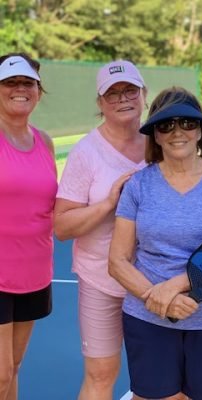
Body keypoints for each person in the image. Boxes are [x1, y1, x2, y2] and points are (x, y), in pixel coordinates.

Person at [108, 86, 202, 400]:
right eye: (165, 125)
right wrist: (156, 298)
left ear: (200, 131)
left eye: (187, 123)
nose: (177, 132)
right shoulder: (138, 186)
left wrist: (173, 287)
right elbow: (117, 261)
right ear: (155, 136)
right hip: (148, 317)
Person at [54, 60, 147, 400]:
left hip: (155, 279)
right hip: (101, 280)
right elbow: (62, 226)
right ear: (100, 103)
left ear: (143, 94)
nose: (122, 99)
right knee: (101, 374)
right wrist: (109, 202)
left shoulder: (162, 142)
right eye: (112, 93)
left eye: (129, 90)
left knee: (157, 375)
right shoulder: (86, 152)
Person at [0, 53, 57, 400]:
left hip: (34, 272)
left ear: (37, 91)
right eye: (10, 82)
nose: (20, 89)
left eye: (27, 83)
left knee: (14, 368)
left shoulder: (45, 142)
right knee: (1, 371)